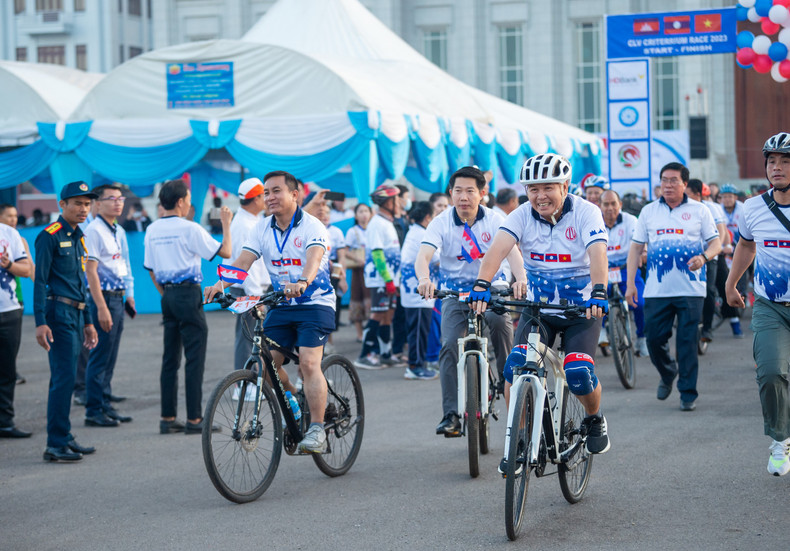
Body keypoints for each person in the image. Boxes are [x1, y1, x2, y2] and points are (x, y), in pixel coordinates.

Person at [469, 154, 612, 465]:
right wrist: (481, 284)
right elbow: (497, 250)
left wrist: (600, 291)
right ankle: (519, 439)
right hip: (538, 310)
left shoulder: (586, 212)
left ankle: (594, 417)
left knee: (578, 372)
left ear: (565, 187)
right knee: (515, 368)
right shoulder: (521, 215)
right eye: (533, 189)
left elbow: (598, 253)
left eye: (548, 187)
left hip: (581, 312)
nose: (540, 196)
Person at [204, 170, 335, 454]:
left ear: (294, 195)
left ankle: (317, 429)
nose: (270, 197)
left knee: (309, 363)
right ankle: (295, 399)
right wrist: (219, 285)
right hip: (282, 304)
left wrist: (303, 281)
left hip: (315, 303)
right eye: (266, 192)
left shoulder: (312, 226)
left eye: (276, 191)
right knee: (264, 366)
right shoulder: (261, 228)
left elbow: (313, 259)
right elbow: (242, 262)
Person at [416, 166, 521, 437]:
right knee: (450, 344)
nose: (464, 197)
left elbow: (513, 254)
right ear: (450, 193)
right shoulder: (440, 222)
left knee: (499, 321)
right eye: (458, 191)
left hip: (492, 287)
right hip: (455, 292)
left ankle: (506, 377)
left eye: (470, 191)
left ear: (482, 193)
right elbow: (423, 255)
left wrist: (520, 279)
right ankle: (451, 414)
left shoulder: (496, 219)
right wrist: (424, 278)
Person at [626, 162, 720, 412]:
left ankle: (687, 393)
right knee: (654, 339)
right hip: (657, 289)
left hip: (691, 289)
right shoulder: (648, 211)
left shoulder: (700, 210)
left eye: (673, 180)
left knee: (687, 342)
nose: (668, 185)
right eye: (664, 180)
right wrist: (630, 284)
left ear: (684, 184)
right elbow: (636, 248)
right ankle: (668, 372)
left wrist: (704, 258)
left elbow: (716, 244)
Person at [144, 179, 232, 435]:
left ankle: (168, 417)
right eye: (189, 200)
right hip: (188, 293)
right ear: (181, 201)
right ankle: (194, 418)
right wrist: (226, 224)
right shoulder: (189, 228)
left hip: (168, 294)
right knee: (194, 357)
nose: (190, 204)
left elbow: (150, 269)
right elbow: (226, 252)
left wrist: (166, 294)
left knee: (170, 358)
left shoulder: (152, 229)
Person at [725, 132, 790, 476]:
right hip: (770, 306)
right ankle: (780, 440)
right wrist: (731, 282)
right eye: (772, 161)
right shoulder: (752, 208)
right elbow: (747, 246)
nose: (777, 167)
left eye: (785, 161)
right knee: (770, 372)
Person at [34, 181, 99, 461]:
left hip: (76, 312)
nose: (84, 209)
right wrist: (40, 321)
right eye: (78, 203)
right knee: (63, 378)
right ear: (62, 205)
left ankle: (64, 435)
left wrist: (88, 321)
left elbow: (80, 283)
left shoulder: (79, 237)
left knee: (68, 377)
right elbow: (39, 281)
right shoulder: (49, 236)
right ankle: (55, 443)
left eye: (87, 204)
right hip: (57, 313)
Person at [82, 184, 135, 427]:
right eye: (111, 198)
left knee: (110, 355)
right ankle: (93, 410)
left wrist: (129, 293)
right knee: (100, 355)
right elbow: (90, 271)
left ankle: (105, 403)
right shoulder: (93, 231)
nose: (117, 202)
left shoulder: (117, 230)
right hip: (102, 298)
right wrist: (101, 307)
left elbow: (123, 263)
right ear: (98, 203)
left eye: (120, 198)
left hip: (117, 297)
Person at [356, 184, 403, 369]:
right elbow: (376, 253)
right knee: (378, 314)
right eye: (396, 199)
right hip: (381, 279)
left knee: (387, 315)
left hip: (390, 279)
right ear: (388, 202)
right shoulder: (376, 223)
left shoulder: (387, 222)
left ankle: (385, 354)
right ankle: (364, 355)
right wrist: (388, 279)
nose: (400, 203)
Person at [599, 189, 649, 357]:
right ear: (600, 206)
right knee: (596, 297)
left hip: (627, 267)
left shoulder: (630, 221)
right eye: (606, 204)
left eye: (613, 204)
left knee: (640, 303)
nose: (610, 208)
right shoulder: (594, 221)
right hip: (603, 268)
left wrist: (643, 252)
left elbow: (640, 242)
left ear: (620, 204)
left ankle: (641, 338)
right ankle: (601, 330)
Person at [229, 178, 271, 372]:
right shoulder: (245, 225)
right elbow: (247, 266)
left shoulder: (250, 220)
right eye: (265, 195)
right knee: (248, 338)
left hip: (251, 288)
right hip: (249, 289)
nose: (267, 199)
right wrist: (255, 297)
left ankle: (250, 380)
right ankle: (243, 382)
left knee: (253, 337)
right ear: (256, 199)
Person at [0, 216, 33, 438]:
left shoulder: (9, 233)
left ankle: (5, 422)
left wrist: (9, 265)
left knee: (7, 371)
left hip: (9, 311)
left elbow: (26, 269)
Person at [687, 179, 731, 343]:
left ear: (698, 194)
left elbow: (721, 231)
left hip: (709, 254)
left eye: (688, 195)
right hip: (688, 255)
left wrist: (721, 247)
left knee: (709, 290)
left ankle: (707, 327)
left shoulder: (711, 208)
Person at [400, 201, 439, 381]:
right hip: (418, 294)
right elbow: (437, 259)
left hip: (416, 292)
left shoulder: (415, 231)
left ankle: (418, 364)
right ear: (428, 217)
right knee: (418, 331)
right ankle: (415, 367)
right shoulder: (421, 234)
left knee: (420, 330)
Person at [718, 183, 748, 337]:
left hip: (743, 246)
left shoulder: (743, 209)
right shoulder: (718, 210)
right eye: (724, 197)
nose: (727, 199)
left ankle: (746, 289)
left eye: (730, 196)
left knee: (746, 270)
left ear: (735, 197)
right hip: (724, 248)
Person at [345, 203, 372, 342]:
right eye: (361, 211)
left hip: (372, 270)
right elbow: (345, 251)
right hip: (358, 270)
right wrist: (357, 259)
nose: (364, 214)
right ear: (356, 215)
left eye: (366, 211)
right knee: (357, 298)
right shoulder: (353, 231)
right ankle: (360, 334)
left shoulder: (374, 228)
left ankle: (371, 332)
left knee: (372, 299)